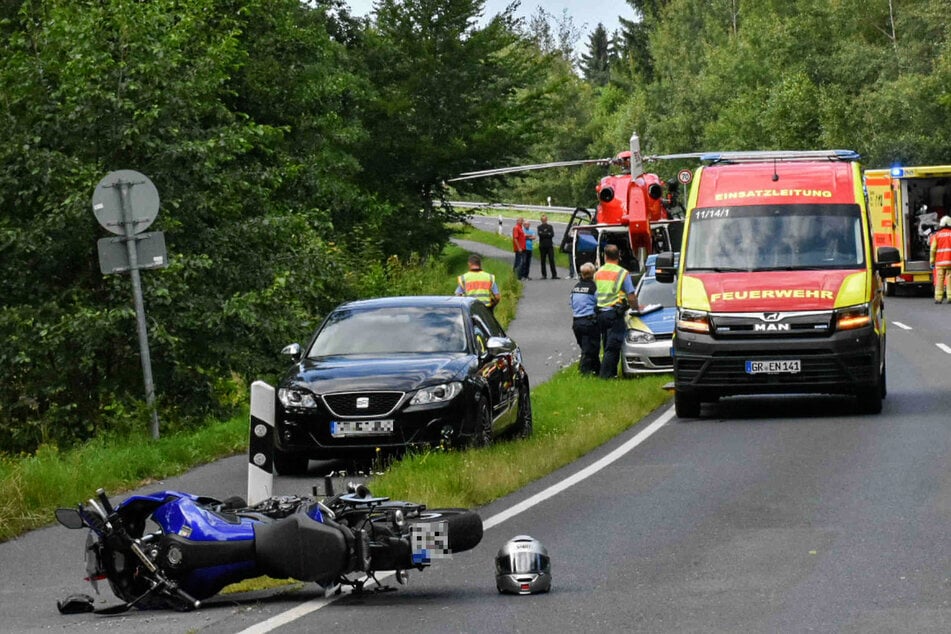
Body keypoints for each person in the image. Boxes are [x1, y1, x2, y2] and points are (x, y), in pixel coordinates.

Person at [595, 244, 637, 379]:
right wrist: (636, 307)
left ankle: (611, 373)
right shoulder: (622, 273)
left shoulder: (598, 273)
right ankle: (605, 376)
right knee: (613, 347)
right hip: (615, 313)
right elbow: (631, 295)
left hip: (601, 314)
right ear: (618, 256)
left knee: (606, 343)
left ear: (605, 256)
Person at [569, 262, 600, 375]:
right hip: (589, 322)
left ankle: (597, 370)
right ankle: (584, 372)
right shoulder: (594, 288)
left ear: (581, 274)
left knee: (586, 348)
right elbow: (600, 302)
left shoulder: (575, 288)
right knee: (590, 349)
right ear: (593, 274)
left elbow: (572, 304)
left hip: (576, 323)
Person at [930, 215, 951, 303]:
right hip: (950, 261)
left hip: (939, 262)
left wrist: (932, 261)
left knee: (939, 279)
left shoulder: (937, 235)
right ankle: (950, 297)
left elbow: (933, 249)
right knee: (949, 278)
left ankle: (938, 298)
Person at [537, 214, 559, 279]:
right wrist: (547, 233)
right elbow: (540, 234)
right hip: (542, 246)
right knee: (543, 260)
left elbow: (552, 234)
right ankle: (544, 275)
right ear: (541, 220)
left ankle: (554, 275)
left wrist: (545, 233)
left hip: (549, 246)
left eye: (545, 219)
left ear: (546, 220)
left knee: (551, 260)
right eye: (543, 220)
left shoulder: (550, 226)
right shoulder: (539, 227)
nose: (544, 221)